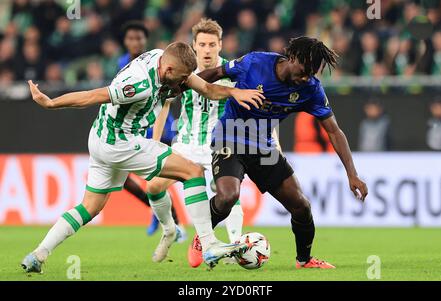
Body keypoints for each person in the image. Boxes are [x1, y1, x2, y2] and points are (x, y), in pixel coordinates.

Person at [21, 42, 265, 273]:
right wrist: (52, 103)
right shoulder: (139, 84)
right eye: (181, 78)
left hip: (99, 138)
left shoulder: (166, 60)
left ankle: (37, 255)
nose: (183, 84)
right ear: (168, 69)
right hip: (120, 141)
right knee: (192, 172)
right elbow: (92, 96)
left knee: (90, 207)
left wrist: (234, 92)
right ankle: (209, 245)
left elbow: (207, 88)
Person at [188, 36, 368, 269]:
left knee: (301, 205)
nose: (305, 78)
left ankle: (304, 260)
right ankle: (202, 238)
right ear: (292, 58)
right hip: (230, 137)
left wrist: (352, 173)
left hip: (263, 148)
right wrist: (187, 86)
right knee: (228, 196)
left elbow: (334, 131)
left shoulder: (310, 88)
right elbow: (215, 73)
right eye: (303, 71)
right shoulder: (255, 63)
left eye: (311, 74)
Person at [146, 18, 244, 267]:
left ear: (220, 45)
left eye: (212, 44)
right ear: (194, 45)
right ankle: (170, 230)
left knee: (228, 195)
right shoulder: (182, 71)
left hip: (219, 144)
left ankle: (234, 246)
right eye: (202, 44)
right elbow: (164, 109)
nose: (207, 49)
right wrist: (155, 144)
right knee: (154, 188)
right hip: (186, 145)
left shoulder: (232, 72)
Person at [117, 20, 183, 238]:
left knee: (158, 178)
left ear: (145, 40)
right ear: (125, 41)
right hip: (132, 129)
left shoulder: (157, 61)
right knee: (123, 179)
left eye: (139, 38)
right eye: (131, 38)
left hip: (158, 126)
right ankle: (158, 212)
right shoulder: (121, 64)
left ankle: (173, 221)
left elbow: (171, 95)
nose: (135, 42)